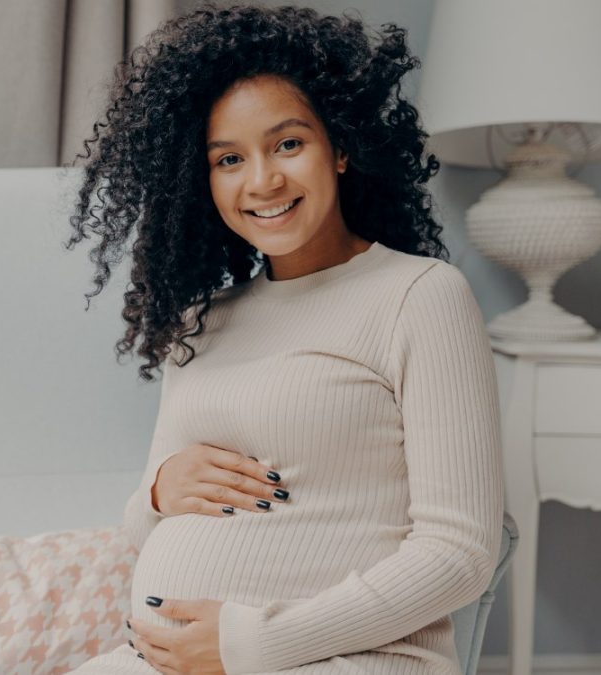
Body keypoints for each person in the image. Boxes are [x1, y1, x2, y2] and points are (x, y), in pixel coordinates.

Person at [62, 4, 504, 674]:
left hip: (349, 657)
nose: (262, 181)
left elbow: (460, 552)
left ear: (343, 145)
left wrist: (253, 642)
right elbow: (145, 524)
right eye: (229, 159)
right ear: (200, 180)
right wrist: (157, 492)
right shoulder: (200, 320)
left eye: (288, 144)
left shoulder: (419, 296)